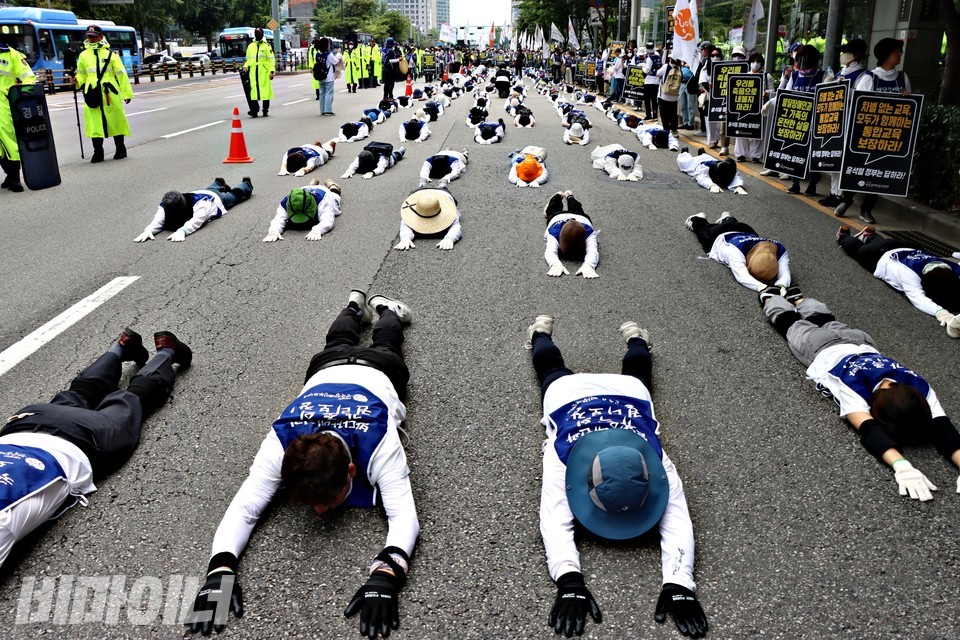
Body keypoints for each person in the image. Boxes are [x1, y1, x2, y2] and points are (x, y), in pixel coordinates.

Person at [184, 291, 419, 638]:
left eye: (325, 500)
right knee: (343, 340)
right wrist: (219, 571)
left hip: (375, 370)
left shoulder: (379, 442)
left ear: (352, 471)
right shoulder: (279, 445)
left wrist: (387, 575)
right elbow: (245, 505)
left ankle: (383, 308)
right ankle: (357, 306)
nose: (321, 511)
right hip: (332, 367)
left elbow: (406, 516)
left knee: (384, 342)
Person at [525, 315, 707, 638]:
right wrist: (680, 582)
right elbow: (678, 520)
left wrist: (569, 580)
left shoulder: (653, 463)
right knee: (557, 372)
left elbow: (555, 520)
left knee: (555, 367)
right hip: (590, 394)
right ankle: (632, 337)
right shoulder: (567, 459)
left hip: (604, 394)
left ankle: (543, 332)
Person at [1, 328, 192, 568]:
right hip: (23, 424)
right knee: (79, 393)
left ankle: (167, 352)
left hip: (76, 440)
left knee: (131, 400)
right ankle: (121, 347)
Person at [760, 288, 960, 501]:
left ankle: (799, 299)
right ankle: (771, 296)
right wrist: (900, 465)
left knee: (827, 320)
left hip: (862, 342)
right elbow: (869, 429)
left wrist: (904, 466)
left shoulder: (918, 388)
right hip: (821, 347)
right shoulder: (854, 387)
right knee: (790, 323)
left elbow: (943, 431)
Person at [836, 39, 912, 224]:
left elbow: (910, 106)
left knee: (879, 172)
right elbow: (858, 106)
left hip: (890, 137)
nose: (899, 55)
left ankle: (867, 209)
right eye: (897, 52)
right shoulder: (869, 78)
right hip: (867, 136)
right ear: (886, 54)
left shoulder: (903, 78)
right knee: (860, 169)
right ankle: (846, 200)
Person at [836, 226, 960, 336]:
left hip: (904, 246)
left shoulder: (952, 268)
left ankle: (870, 235)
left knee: (882, 243)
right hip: (877, 254)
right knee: (857, 249)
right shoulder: (910, 273)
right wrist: (941, 313)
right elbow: (918, 298)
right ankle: (843, 235)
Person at [684, 212, 790, 291]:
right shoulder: (734, 251)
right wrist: (765, 288)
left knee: (732, 223)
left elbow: (785, 275)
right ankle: (696, 218)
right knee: (701, 227)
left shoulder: (778, 248)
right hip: (717, 235)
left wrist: (781, 286)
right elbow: (742, 276)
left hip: (745, 229)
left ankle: (727, 218)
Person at [818, 39, 868, 208]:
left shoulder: (862, 75)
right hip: (834, 122)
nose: (842, 55)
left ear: (854, 55)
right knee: (833, 159)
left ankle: (840, 195)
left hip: (848, 124)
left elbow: (860, 100)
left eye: (845, 52)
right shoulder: (840, 73)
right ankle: (834, 192)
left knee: (842, 161)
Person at [75, 25, 133, 163]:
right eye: (89, 36)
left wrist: (127, 93)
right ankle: (98, 152)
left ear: (101, 37)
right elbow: (81, 75)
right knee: (94, 122)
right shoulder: (83, 55)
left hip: (109, 92)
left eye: (94, 36)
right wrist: (77, 82)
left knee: (116, 119)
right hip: (91, 93)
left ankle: (120, 149)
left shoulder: (111, 55)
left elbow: (121, 75)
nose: (91, 39)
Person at [134, 177, 253, 242]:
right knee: (211, 188)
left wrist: (183, 231)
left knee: (233, 196)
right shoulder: (166, 204)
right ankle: (218, 183)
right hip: (200, 191)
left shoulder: (201, 204)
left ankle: (246, 184)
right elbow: (158, 220)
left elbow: (197, 221)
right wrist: (149, 230)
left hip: (215, 198)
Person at [781, 45, 824, 196]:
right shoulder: (794, 76)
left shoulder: (823, 76)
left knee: (812, 156)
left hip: (814, 124)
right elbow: (785, 96)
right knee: (795, 153)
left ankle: (812, 183)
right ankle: (795, 183)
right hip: (796, 123)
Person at [0, 36, 36, 191]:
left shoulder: (11, 54)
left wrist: (22, 97)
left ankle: (15, 178)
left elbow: (28, 77)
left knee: (8, 141)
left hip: (3, 104)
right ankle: (10, 174)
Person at [541, 191, 599, 279]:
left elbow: (550, 252)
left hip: (577, 217)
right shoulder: (554, 232)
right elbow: (593, 251)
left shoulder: (589, 233)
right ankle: (565, 197)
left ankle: (565, 196)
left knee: (558, 209)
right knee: (572, 208)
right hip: (564, 217)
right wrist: (589, 264)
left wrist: (555, 263)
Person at [262, 179, 341, 242]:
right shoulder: (285, 203)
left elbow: (328, 221)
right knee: (308, 188)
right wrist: (274, 231)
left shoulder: (323, 200)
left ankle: (331, 184)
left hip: (323, 191)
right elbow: (278, 220)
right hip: (304, 189)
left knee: (336, 196)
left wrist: (317, 230)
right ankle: (312, 183)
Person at [394, 188, 462, 251]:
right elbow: (405, 224)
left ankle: (442, 185)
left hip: (444, 193)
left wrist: (450, 238)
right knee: (423, 186)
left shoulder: (451, 212)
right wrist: (405, 238)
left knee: (443, 187)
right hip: (418, 192)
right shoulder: (419, 205)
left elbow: (456, 226)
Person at [677, 148, 747, 194]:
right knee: (684, 161)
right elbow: (702, 178)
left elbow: (735, 175)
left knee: (706, 156)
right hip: (697, 163)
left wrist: (738, 186)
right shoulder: (703, 169)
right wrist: (711, 185)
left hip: (712, 161)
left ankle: (702, 154)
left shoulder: (727, 168)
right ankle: (685, 152)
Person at [242, 27, 275, 118]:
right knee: (253, 91)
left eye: (258, 32)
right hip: (253, 72)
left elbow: (271, 60)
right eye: (255, 32)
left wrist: (272, 71)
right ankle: (254, 110)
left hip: (264, 72)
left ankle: (265, 110)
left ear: (262, 34)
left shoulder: (267, 46)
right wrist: (245, 67)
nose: (257, 34)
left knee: (265, 91)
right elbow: (248, 59)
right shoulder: (251, 46)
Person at [340, 145, 405, 180]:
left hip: (391, 159)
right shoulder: (360, 157)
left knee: (397, 155)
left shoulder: (382, 158)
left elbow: (381, 168)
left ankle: (400, 151)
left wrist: (372, 173)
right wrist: (348, 172)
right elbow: (353, 165)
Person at [315, 37, 341, 116]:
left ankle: (322, 110)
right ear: (326, 45)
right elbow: (336, 62)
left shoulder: (318, 54)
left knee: (322, 93)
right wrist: (339, 54)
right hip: (328, 77)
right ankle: (328, 110)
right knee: (329, 93)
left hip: (320, 76)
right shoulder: (329, 55)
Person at [643, 42, 662, 120]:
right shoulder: (658, 57)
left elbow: (647, 70)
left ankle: (648, 115)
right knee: (654, 99)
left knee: (647, 99)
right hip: (656, 81)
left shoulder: (649, 58)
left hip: (649, 81)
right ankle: (655, 115)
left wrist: (642, 68)